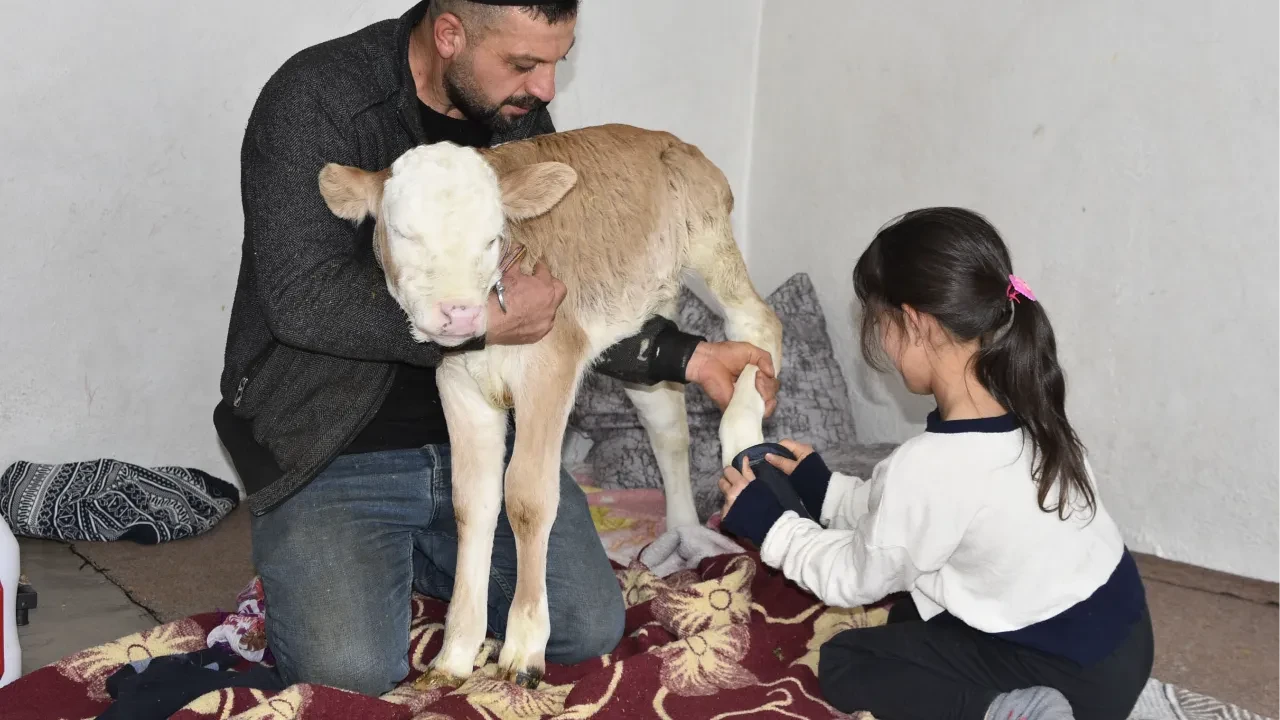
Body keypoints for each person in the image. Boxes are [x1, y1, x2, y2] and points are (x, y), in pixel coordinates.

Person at [214, 0, 779, 697]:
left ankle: (432, 554)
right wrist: (477, 322)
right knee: (349, 673)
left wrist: (688, 357)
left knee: (585, 626)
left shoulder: (513, 116)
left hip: (482, 436)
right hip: (332, 443)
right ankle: (379, 550)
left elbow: (557, 301)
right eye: (524, 63)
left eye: (554, 65)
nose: (544, 90)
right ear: (450, 34)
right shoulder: (316, 99)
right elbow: (300, 299)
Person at [716, 207, 1152, 720]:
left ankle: (1004, 713)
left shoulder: (931, 465)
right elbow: (916, 517)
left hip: (1072, 683)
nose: (880, 343)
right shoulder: (1030, 406)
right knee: (911, 614)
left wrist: (772, 526)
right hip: (1125, 648)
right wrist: (827, 490)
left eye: (880, 324)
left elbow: (852, 577)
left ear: (915, 323)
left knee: (847, 661)